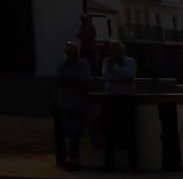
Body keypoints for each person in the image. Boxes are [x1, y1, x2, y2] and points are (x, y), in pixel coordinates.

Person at [100, 40, 138, 172]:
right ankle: (109, 163)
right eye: (111, 50)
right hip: (111, 99)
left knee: (130, 133)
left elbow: (130, 76)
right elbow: (106, 76)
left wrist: (115, 69)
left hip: (127, 99)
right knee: (109, 133)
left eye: (116, 50)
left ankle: (133, 164)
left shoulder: (131, 61)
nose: (113, 53)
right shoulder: (106, 62)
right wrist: (121, 75)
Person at [54, 41, 93, 170]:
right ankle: (72, 159)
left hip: (75, 103)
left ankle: (72, 159)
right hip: (68, 102)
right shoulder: (80, 66)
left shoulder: (77, 65)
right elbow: (64, 81)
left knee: (75, 132)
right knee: (70, 132)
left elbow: (83, 81)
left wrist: (69, 81)